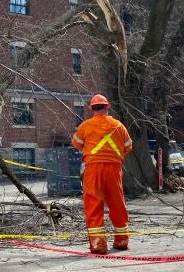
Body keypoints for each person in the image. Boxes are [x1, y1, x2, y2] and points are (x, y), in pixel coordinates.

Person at [71, 94, 133, 254]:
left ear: (92, 109)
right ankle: (122, 241)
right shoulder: (119, 126)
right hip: (114, 168)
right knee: (117, 203)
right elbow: (128, 147)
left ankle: (98, 244)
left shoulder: (85, 126)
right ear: (107, 107)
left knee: (93, 204)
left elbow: (77, 144)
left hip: (93, 169)